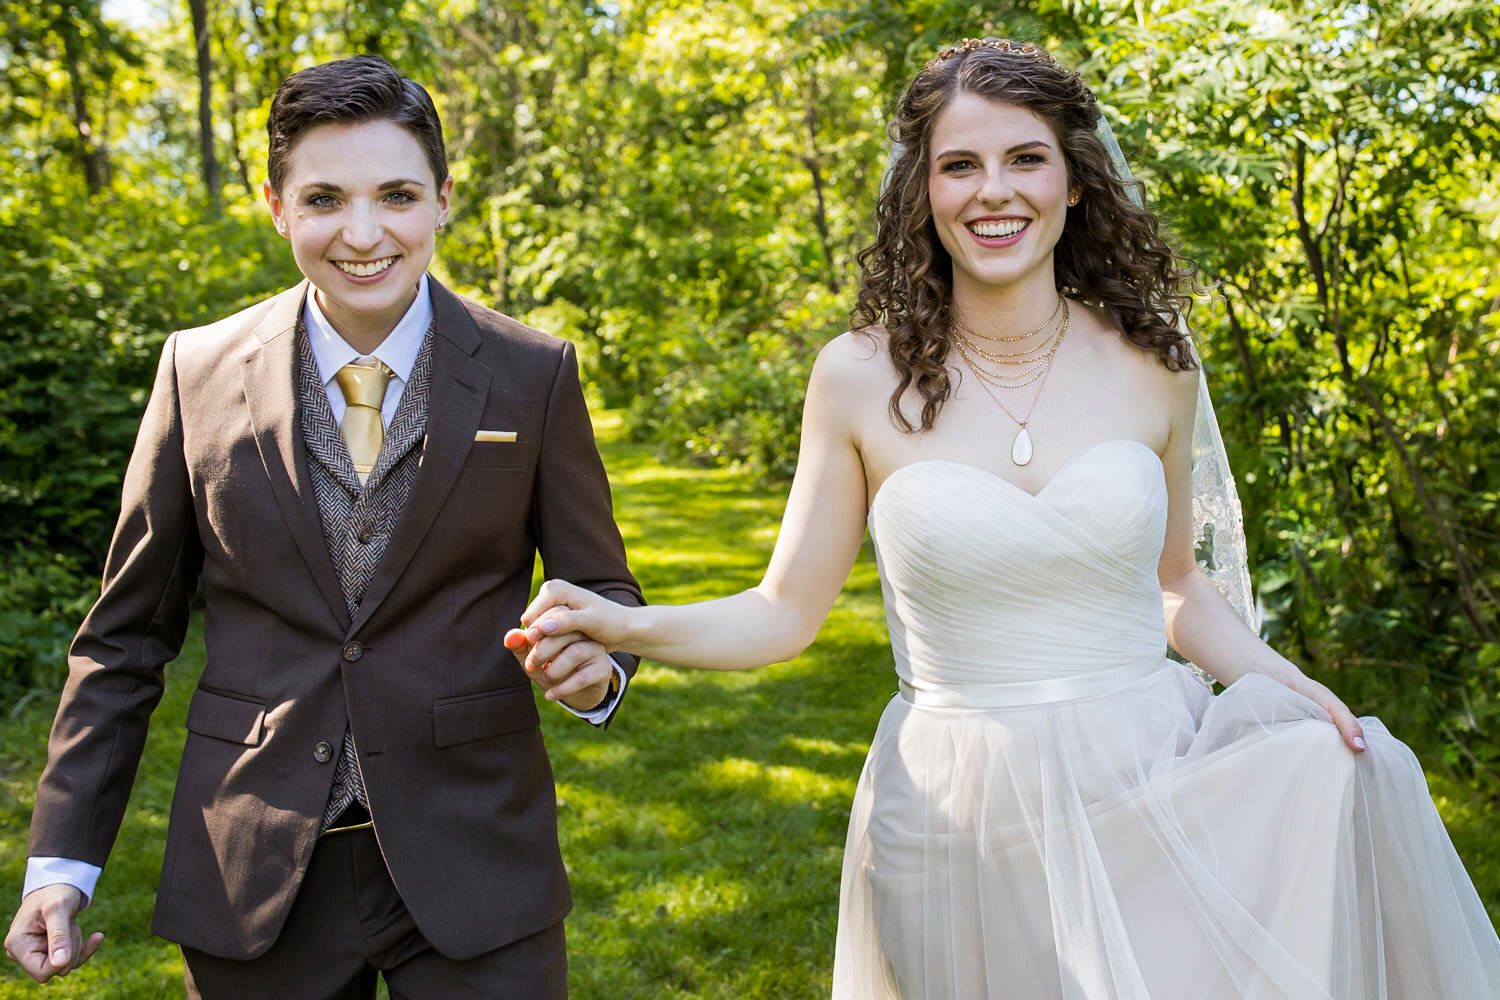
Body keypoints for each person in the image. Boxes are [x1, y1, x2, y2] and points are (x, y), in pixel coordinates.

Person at [505, 38, 1500, 998]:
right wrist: (626, 624)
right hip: (954, 807)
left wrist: (1289, 689)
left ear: (1075, 180)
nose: (994, 191)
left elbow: (1179, 587)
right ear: (922, 193)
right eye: (960, 165)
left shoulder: (1155, 363)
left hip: (1144, 776)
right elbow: (783, 611)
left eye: (1027, 159)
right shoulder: (855, 377)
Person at [4, 54, 641, 998]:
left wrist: (599, 672)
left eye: (396, 194)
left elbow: (605, 592)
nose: (364, 232)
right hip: (252, 862)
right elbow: (124, 639)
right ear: (276, 205)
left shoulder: (531, 372)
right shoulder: (196, 371)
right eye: (325, 199)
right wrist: (60, 865)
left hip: (476, 855)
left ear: (443, 199)